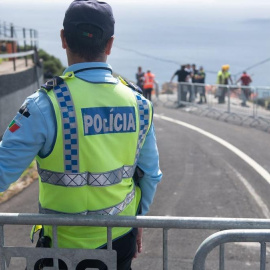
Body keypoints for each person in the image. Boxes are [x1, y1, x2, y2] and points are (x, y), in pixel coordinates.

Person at [0, 1, 162, 270]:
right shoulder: (139, 104)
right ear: (109, 45)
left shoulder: (44, 105)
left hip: (61, 249)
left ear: (63, 39)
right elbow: (151, 174)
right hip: (120, 240)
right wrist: (138, 219)